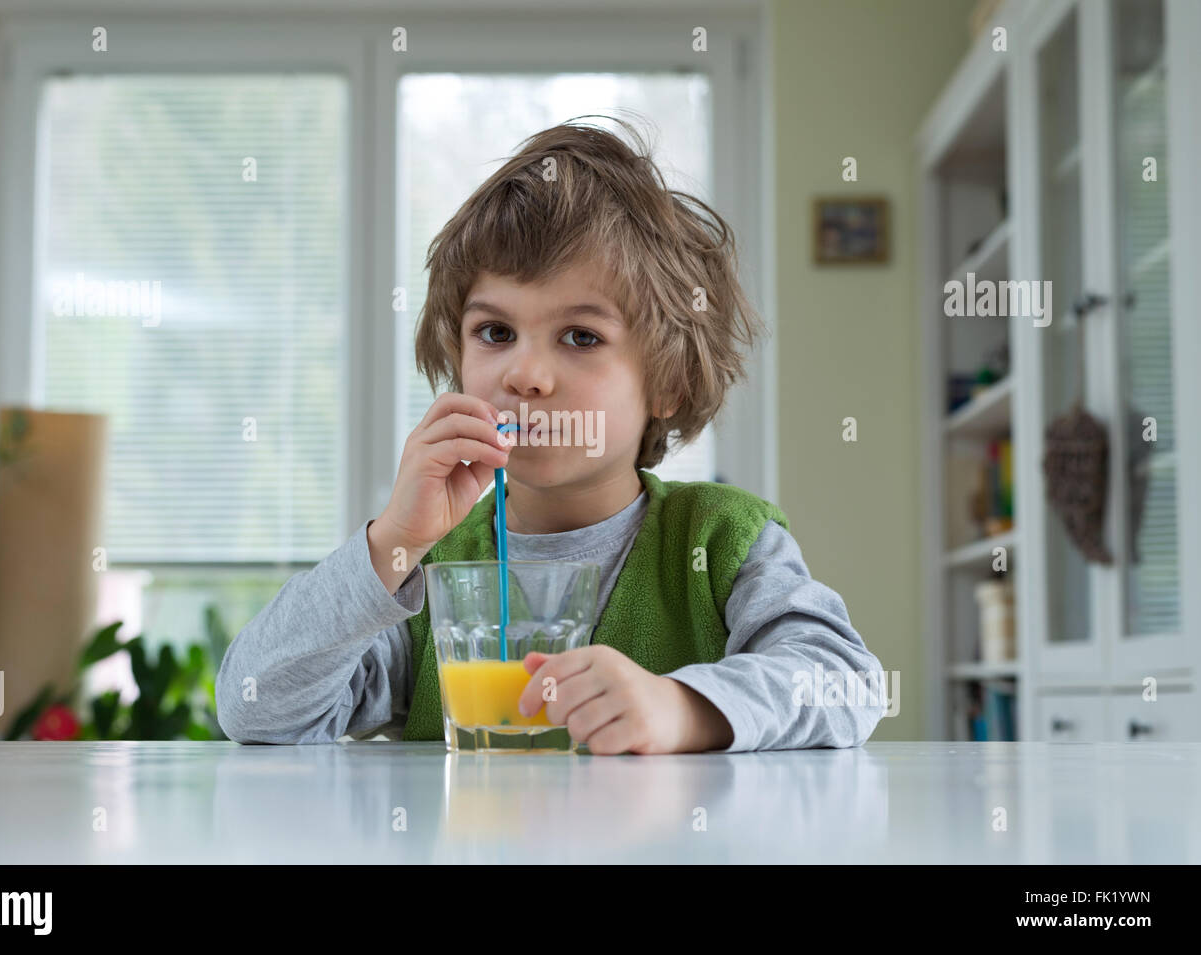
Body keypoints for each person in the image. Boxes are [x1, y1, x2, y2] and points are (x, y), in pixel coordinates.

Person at [216, 116, 887, 753]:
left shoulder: (722, 543)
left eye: (581, 336)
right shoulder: (429, 573)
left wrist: (681, 707)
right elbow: (255, 707)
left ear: (669, 384)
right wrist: (393, 541)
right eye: (495, 332)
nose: (526, 374)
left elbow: (842, 680)